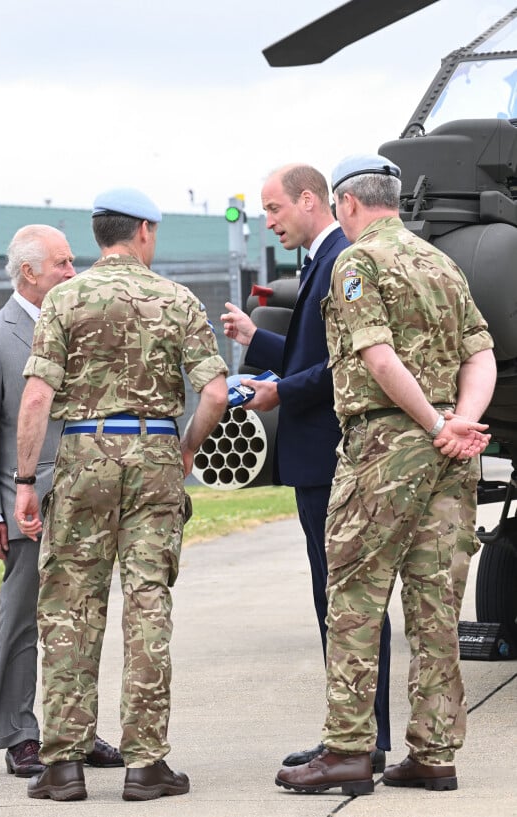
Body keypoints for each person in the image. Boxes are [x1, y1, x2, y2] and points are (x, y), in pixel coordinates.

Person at [275, 154, 496, 796]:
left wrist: (430, 424)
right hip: (455, 451)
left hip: (387, 445)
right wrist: (460, 424)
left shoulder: (356, 260)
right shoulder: (441, 263)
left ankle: (348, 750)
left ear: (345, 204)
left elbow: (375, 355)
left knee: (354, 595)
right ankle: (433, 754)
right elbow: (479, 351)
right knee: (436, 607)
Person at [13, 188, 228, 802]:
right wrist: (183, 449)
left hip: (82, 456)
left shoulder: (63, 298)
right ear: (143, 232)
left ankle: (61, 765)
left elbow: (36, 397)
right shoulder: (178, 299)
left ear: (99, 234)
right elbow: (214, 392)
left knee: (69, 610)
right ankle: (146, 764)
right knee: (147, 604)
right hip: (156, 456)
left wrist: (27, 481)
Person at [221, 163, 391, 771]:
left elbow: (341, 367)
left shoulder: (342, 258)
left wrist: (278, 394)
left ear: (311, 200)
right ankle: (352, 733)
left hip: (331, 456)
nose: (268, 222)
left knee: (346, 599)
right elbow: (310, 354)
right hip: (316, 456)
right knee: (333, 597)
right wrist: (256, 340)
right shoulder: (322, 260)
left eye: (273, 209)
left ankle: (361, 739)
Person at [0, 224, 122, 778]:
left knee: (80, 620)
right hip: (24, 510)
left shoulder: (71, 329)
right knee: (23, 622)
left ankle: (74, 731)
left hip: (82, 505)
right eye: (63, 264)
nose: (73, 273)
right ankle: (17, 732)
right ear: (30, 272)